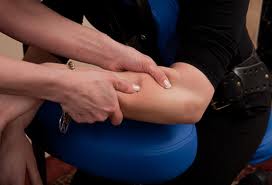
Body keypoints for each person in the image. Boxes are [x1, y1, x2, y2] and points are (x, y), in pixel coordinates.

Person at [1, 0, 272, 185]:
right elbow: (50, 37)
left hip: (226, 105)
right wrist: (14, 127)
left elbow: (190, 95)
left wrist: (53, 83)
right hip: (143, 96)